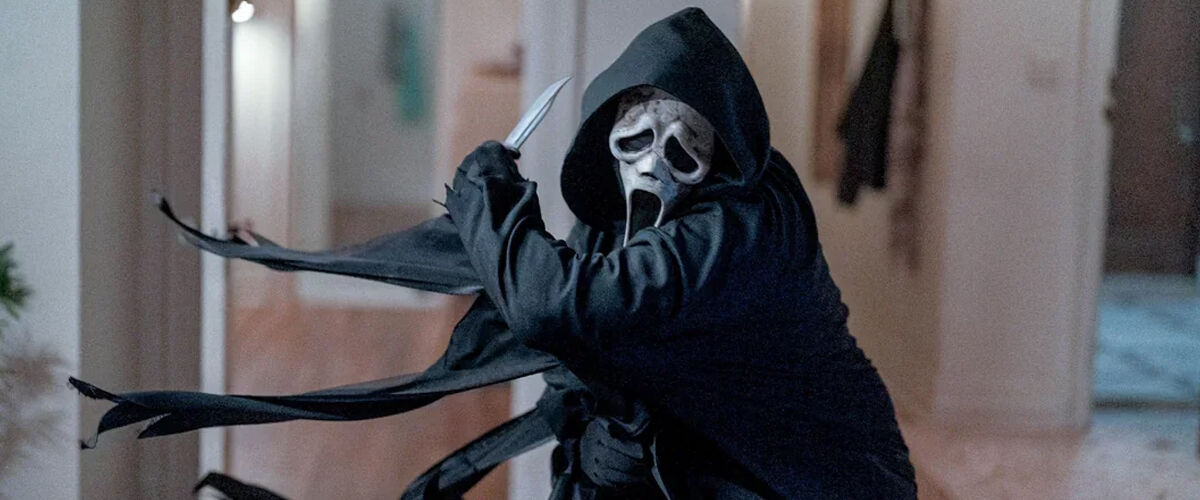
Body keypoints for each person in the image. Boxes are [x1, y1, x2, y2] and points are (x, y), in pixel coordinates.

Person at [74, 8, 915, 499]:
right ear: (607, 140)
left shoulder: (740, 232)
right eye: (637, 140)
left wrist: (486, 186)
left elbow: (557, 307)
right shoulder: (618, 230)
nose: (656, 168)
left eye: (683, 150)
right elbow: (581, 358)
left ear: (722, 153)